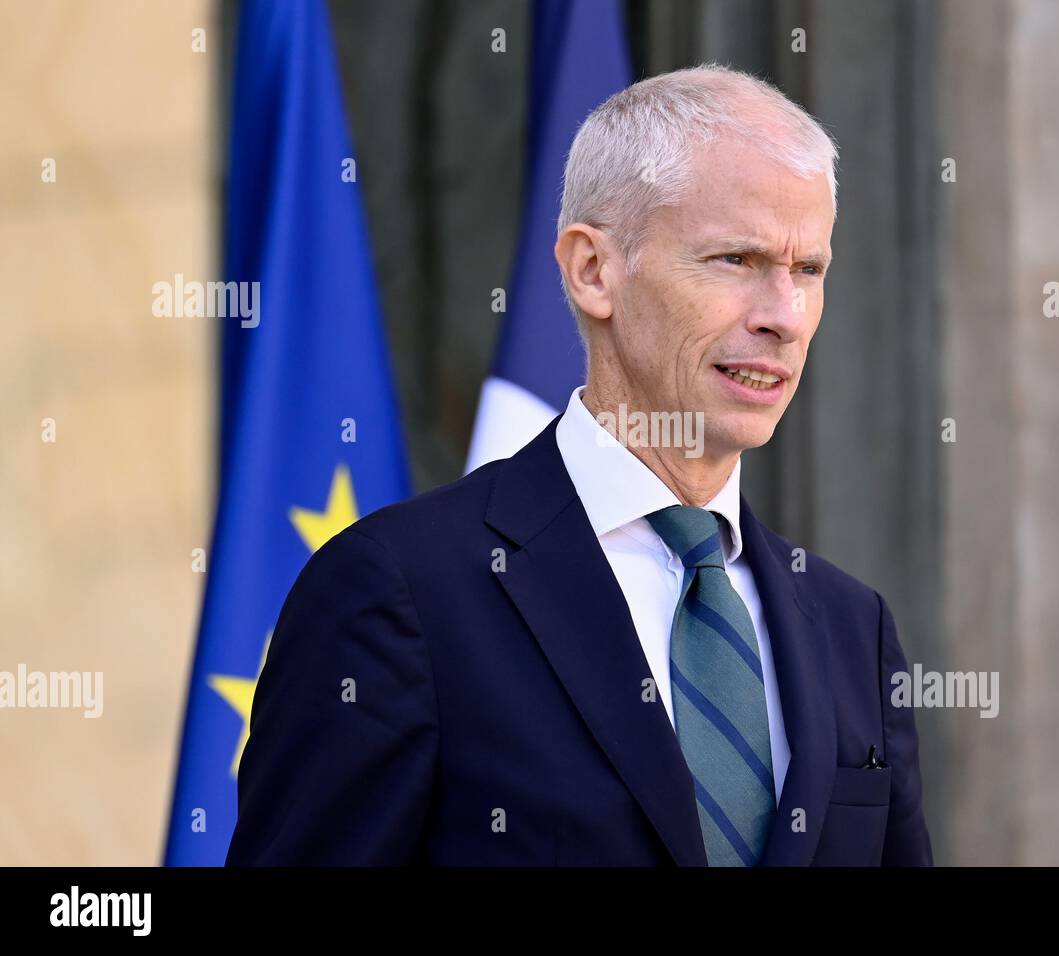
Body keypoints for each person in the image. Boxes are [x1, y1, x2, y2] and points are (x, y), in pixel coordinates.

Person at [226, 64, 934, 866]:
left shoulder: (851, 625)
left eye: (808, 270)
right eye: (736, 260)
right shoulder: (396, 593)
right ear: (593, 270)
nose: (785, 317)